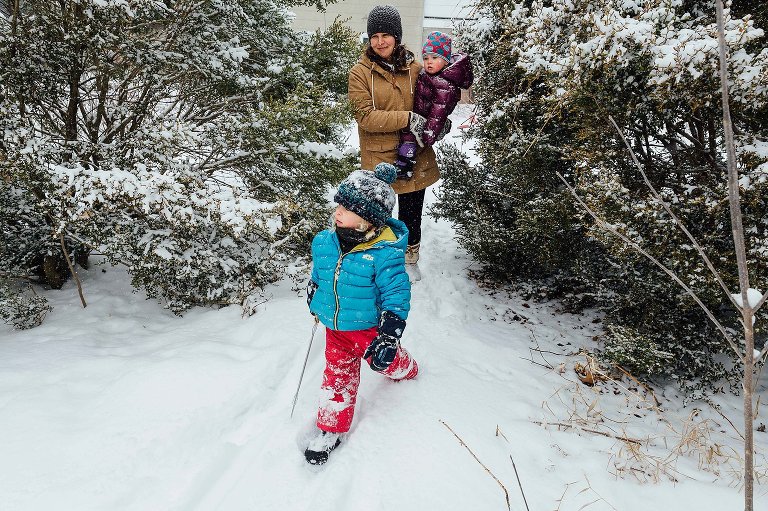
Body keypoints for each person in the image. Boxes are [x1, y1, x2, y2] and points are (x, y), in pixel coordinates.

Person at [304, 162, 419, 465]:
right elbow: (321, 273)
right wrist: (315, 292)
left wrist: (390, 333)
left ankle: (406, 366)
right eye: (339, 204)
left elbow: (397, 293)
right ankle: (330, 429)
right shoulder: (324, 242)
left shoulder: (384, 254)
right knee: (337, 375)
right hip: (335, 328)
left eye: (347, 208)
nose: (337, 211)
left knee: (384, 363)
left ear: (368, 220)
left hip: (369, 329)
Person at [348, 5, 439, 282]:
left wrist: (439, 122)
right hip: (379, 159)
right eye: (374, 36)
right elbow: (365, 116)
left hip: (414, 155)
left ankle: (410, 259)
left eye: (386, 35)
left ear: (397, 37)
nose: (380, 41)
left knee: (412, 214)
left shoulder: (416, 69)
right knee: (378, 215)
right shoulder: (360, 73)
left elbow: (435, 100)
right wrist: (408, 118)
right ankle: (380, 262)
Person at [395, 31, 473, 179]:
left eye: (435, 57)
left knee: (409, 137)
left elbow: (439, 111)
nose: (429, 61)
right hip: (420, 114)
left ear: (446, 61)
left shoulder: (445, 84)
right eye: (426, 58)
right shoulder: (429, 75)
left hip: (428, 121)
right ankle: (405, 163)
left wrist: (429, 132)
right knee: (407, 134)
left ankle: (405, 165)